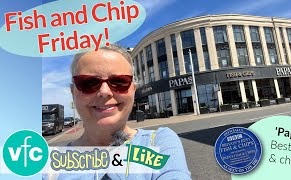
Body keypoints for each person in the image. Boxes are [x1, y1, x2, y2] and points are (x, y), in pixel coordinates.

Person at [44, 44, 191, 180]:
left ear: (133, 90)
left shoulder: (159, 142)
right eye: (88, 83)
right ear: (73, 92)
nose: (105, 92)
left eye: (119, 81)